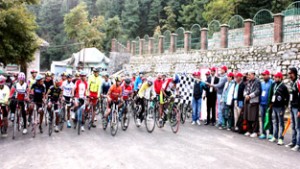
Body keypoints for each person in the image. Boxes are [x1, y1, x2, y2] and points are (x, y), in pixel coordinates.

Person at [269, 72, 289, 145]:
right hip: (274, 106)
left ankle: (281, 138)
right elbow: (272, 94)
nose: (275, 78)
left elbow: (287, 97)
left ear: (280, 78)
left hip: (280, 107)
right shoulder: (274, 85)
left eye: (277, 77)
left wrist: (285, 106)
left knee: (280, 123)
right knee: (274, 122)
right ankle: (275, 136)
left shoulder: (283, 86)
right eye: (275, 77)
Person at [286, 67, 300, 151]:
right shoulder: (292, 83)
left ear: (294, 73)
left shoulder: (298, 83)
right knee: (293, 126)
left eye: (290, 73)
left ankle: (298, 144)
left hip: (297, 108)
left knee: (298, 127)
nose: (289, 75)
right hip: (292, 107)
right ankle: (293, 141)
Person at [244, 70, 261, 138]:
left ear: (253, 74)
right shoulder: (248, 82)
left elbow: (258, 91)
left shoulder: (257, 81)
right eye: (248, 75)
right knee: (248, 116)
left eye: (250, 75)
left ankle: (255, 131)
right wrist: (245, 95)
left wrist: (250, 96)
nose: (249, 76)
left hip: (254, 101)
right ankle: (249, 130)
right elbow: (245, 90)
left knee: (254, 117)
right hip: (248, 101)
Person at [259, 70, 274, 139]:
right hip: (262, 103)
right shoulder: (262, 83)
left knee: (269, 118)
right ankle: (263, 133)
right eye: (263, 75)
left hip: (268, 104)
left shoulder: (272, 83)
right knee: (262, 119)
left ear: (268, 75)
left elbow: (273, 94)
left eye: (265, 75)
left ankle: (271, 133)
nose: (263, 76)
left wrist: (271, 103)